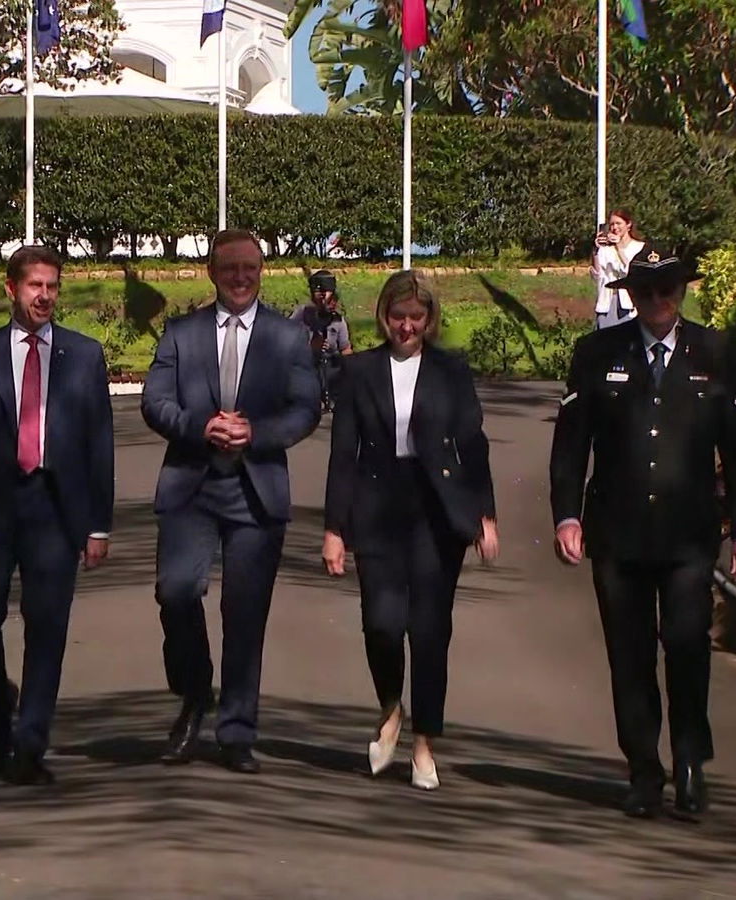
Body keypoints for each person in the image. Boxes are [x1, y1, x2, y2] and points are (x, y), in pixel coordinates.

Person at [549, 246, 736, 820]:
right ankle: (643, 768)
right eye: (645, 291)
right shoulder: (597, 353)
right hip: (618, 534)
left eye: (667, 289)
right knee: (630, 656)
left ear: (683, 292)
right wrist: (566, 515)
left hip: (689, 535)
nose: (657, 300)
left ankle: (691, 762)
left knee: (689, 648)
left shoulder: (715, 354)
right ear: (632, 296)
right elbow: (570, 445)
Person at [0, 245, 114, 786]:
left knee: (48, 626)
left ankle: (31, 742)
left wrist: (97, 525)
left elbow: (98, 442)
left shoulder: (82, 355)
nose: (45, 296)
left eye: (52, 286)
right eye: (35, 285)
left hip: (54, 508)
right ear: (11, 288)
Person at [142, 229, 321, 774]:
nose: (240, 278)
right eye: (229, 268)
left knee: (245, 615)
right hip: (192, 485)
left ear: (261, 272)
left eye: (250, 268)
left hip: (255, 489)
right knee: (175, 591)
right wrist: (201, 426)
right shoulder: (181, 333)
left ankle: (237, 731)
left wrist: (256, 432)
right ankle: (196, 694)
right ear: (212, 272)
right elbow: (155, 402)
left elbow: (306, 409)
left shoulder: (288, 339)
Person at [321, 270, 499, 791]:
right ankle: (389, 707)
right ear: (384, 316)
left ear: (429, 320)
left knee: (428, 631)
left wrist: (484, 514)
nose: (406, 326)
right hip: (377, 507)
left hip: (437, 511)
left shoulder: (451, 371)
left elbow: (473, 444)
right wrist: (335, 528)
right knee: (381, 622)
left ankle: (424, 742)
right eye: (398, 317)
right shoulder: (359, 373)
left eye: (416, 318)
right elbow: (342, 457)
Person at [291, 270, 354, 411]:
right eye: (318, 291)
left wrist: (351, 370)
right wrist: (310, 347)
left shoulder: (337, 321)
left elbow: (345, 349)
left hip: (330, 369)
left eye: (326, 291)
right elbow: (286, 343)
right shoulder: (302, 314)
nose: (322, 296)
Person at [590, 209, 647, 330]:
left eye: (618, 223)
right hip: (607, 302)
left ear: (628, 225)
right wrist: (595, 251)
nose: (615, 227)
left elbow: (632, 272)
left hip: (629, 304)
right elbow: (597, 275)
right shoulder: (606, 249)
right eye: (612, 224)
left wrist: (619, 247)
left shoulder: (639, 248)